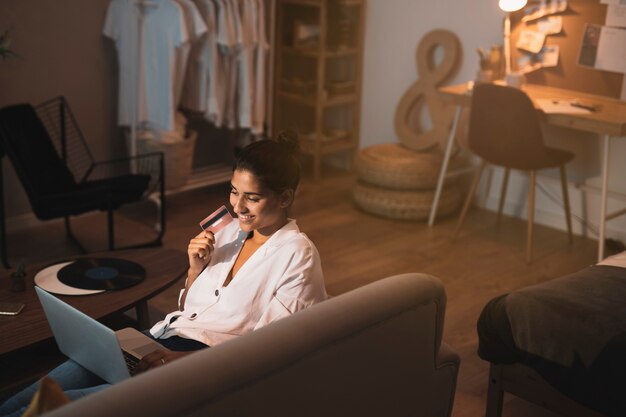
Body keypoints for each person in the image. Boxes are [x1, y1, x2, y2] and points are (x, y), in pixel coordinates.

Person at [0, 132, 327, 416]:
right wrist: (196, 269)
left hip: (204, 363)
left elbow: (273, 350)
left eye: (252, 197)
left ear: (284, 197)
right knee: (31, 396)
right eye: (233, 191)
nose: (237, 206)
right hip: (159, 338)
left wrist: (181, 362)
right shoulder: (228, 232)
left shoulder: (297, 255)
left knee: (63, 407)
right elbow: (191, 309)